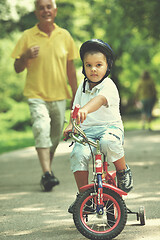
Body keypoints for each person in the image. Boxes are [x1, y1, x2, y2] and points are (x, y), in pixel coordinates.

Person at [11, 0, 78, 192]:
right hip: (36, 94)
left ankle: (46, 169)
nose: (45, 10)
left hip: (58, 95)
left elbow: (71, 70)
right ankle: (47, 174)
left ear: (55, 11)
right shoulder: (27, 36)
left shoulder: (64, 36)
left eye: (49, 7)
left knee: (55, 136)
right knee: (41, 127)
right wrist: (25, 56)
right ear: (36, 12)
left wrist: (76, 95)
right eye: (41, 7)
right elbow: (17, 68)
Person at [64, 39, 133, 213]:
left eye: (98, 65)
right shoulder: (82, 86)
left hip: (110, 128)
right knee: (77, 154)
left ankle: (123, 171)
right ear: (84, 67)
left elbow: (100, 100)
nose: (93, 69)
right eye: (88, 65)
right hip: (87, 132)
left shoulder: (108, 85)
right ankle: (84, 196)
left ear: (107, 66)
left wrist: (86, 109)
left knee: (108, 143)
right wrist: (71, 125)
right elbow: (75, 110)